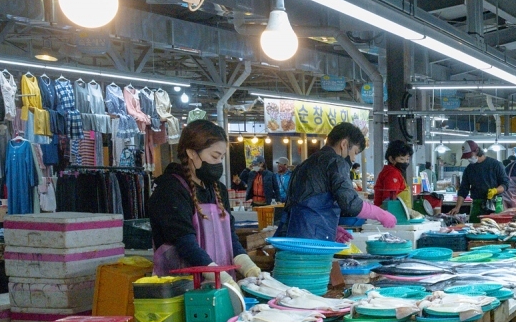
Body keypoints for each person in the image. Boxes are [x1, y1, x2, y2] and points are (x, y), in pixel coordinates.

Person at [149, 119, 261, 278]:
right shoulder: (170, 190)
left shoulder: (218, 190)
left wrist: (249, 268)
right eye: (215, 156)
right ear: (192, 153)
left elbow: (230, 238)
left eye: (222, 157)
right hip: (181, 288)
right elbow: (185, 244)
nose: (219, 163)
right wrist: (219, 277)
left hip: (218, 284)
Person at [278, 122, 397, 241]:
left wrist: (330, 228)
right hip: (312, 241)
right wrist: (381, 214)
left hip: (292, 235)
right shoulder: (336, 162)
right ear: (344, 144)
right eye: (355, 152)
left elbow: (299, 205)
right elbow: (350, 204)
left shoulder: (307, 163)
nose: (354, 158)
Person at [456, 140, 509, 221]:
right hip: (477, 204)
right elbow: (463, 189)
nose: (468, 158)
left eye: (470, 155)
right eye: (467, 157)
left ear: (477, 151)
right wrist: (457, 207)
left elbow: (505, 184)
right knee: (474, 229)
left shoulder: (496, 165)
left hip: (495, 203)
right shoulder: (469, 169)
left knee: (496, 228)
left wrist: (495, 190)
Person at [373, 139, 413, 207]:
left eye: (407, 159)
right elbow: (389, 200)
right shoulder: (392, 174)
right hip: (391, 213)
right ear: (391, 159)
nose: (405, 162)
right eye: (402, 159)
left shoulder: (393, 171)